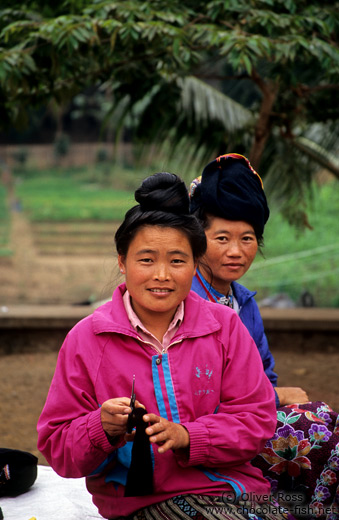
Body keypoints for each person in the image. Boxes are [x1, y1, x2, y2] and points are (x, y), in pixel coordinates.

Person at [37, 172, 293, 520]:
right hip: (142, 503)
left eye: (177, 260)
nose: (162, 274)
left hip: (236, 489)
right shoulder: (87, 340)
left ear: (195, 262)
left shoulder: (225, 326)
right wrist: (102, 427)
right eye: (146, 260)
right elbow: (58, 448)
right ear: (121, 261)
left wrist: (189, 435)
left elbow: (257, 419)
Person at [189, 153, 339, 520]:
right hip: (206, 436)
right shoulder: (186, 300)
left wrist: (272, 396)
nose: (236, 251)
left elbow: (263, 377)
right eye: (221, 237)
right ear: (196, 237)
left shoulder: (244, 303)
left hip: (252, 421)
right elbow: (193, 395)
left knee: (326, 420)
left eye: (248, 238)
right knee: (317, 430)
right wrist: (276, 396)